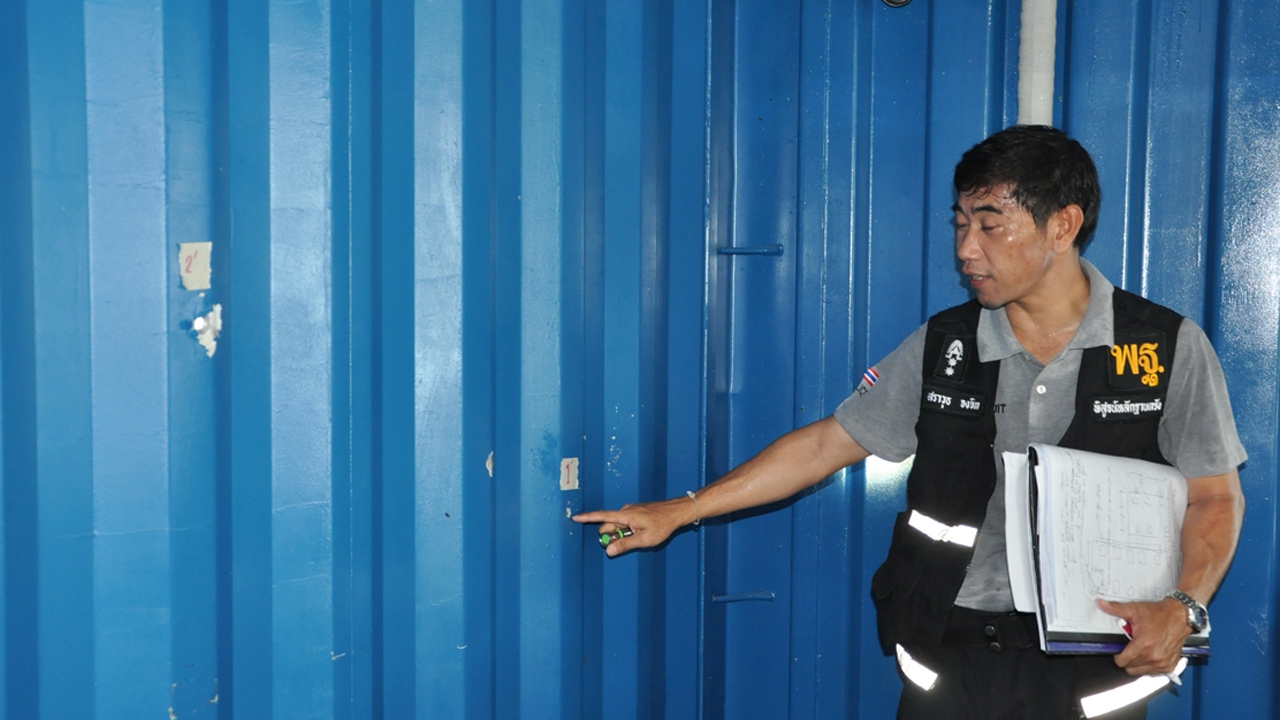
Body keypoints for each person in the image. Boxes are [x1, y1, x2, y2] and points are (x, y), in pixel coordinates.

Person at [573, 125, 1246, 719]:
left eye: (990, 225)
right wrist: (682, 510)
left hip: (1095, 669)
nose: (966, 249)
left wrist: (1183, 608)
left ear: (1063, 226)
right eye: (960, 223)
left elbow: (1215, 497)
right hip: (950, 658)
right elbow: (827, 444)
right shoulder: (944, 346)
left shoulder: (1165, 348)